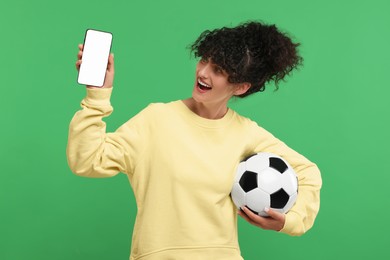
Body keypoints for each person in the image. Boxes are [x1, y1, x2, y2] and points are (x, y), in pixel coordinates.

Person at [67, 21, 322, 260]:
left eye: (218, 70)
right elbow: (88, 160)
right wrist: (97, 97)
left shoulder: (245, 133)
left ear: (241, 87)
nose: (203, 72)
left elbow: (307, 173)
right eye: (204, 60)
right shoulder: (156, 120)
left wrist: (290, 221)